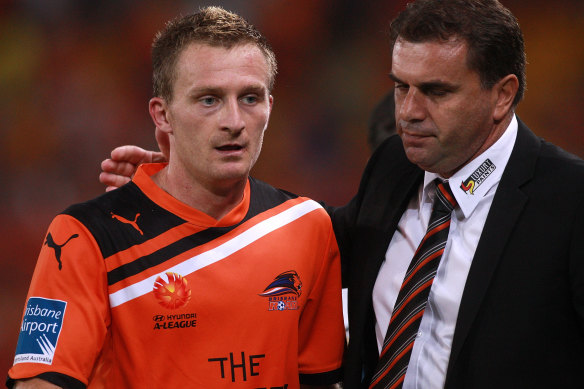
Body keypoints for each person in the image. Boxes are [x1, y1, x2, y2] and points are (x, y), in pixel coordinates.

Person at [100, 0, 584, 388]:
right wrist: (181, 187)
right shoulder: (396, 166)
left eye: (436, 92)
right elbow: (305, 241)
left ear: (502, 94)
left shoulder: (569, 202)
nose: (408, 112)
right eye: (401, 87)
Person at [7, 7, 345, 389]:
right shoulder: (84, 237)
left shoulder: (307, 226)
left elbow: (322, 380)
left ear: (270, 106)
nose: (233, 121)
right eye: (208, 100)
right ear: (162, 115)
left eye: (250, 97)